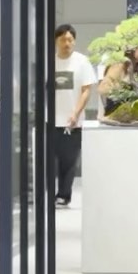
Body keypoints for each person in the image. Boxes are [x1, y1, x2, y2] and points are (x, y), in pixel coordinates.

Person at [54, 24, 95, 207]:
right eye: (63, 39)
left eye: (70, 40)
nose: (67, 43)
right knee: (51, 161)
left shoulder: (82, 62)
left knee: (69, 161)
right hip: (51, 120)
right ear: (56, 41)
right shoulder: (49, 61)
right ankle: (48, 194)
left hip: (73, 122)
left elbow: (86, 90)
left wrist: (75, 113)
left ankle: (64, 195)